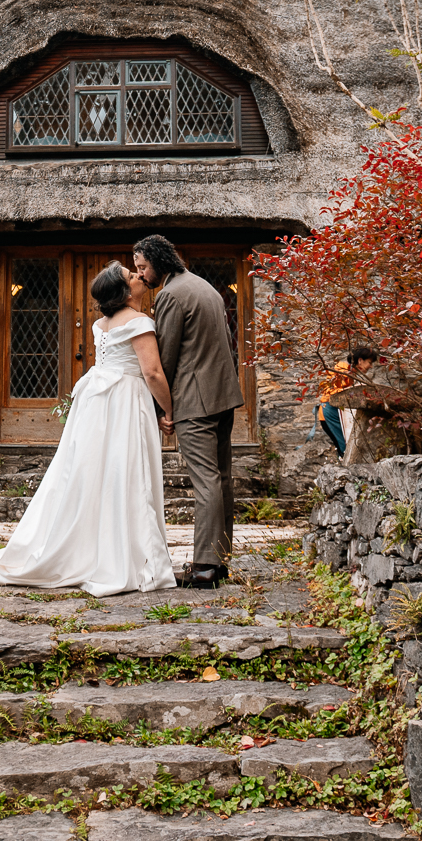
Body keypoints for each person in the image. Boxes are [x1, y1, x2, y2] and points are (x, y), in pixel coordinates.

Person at [0, 261, 176, 596]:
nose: (139, 275)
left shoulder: (101, 324)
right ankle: (123, 555)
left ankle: (89, 548)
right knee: (125, 473)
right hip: (125, 401)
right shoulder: (140, 322)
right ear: (124, 292)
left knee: (91, 473)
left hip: (97, 401)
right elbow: (152, 373)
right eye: (131, 275)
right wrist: (169, 410)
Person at [133, 234, 245, 590]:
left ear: (158, 262)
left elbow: (163, 359)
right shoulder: (204, 286)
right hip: (223, 395)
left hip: (195, 402)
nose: (141, 275)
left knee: (205, 480)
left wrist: (161, 408)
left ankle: (205, 567)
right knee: (222, 478)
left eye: (143, 267)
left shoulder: (170, 295)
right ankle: (220, 560)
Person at [317, 346, 380, 457]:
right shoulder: (343, 369)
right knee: (344, 448)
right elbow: (329, 391)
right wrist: (351, 391)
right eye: (370, 362)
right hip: (330, 412)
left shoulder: (350, 372)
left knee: (345, 447)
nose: (371, 366)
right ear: (360, 360)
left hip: (335, 411)